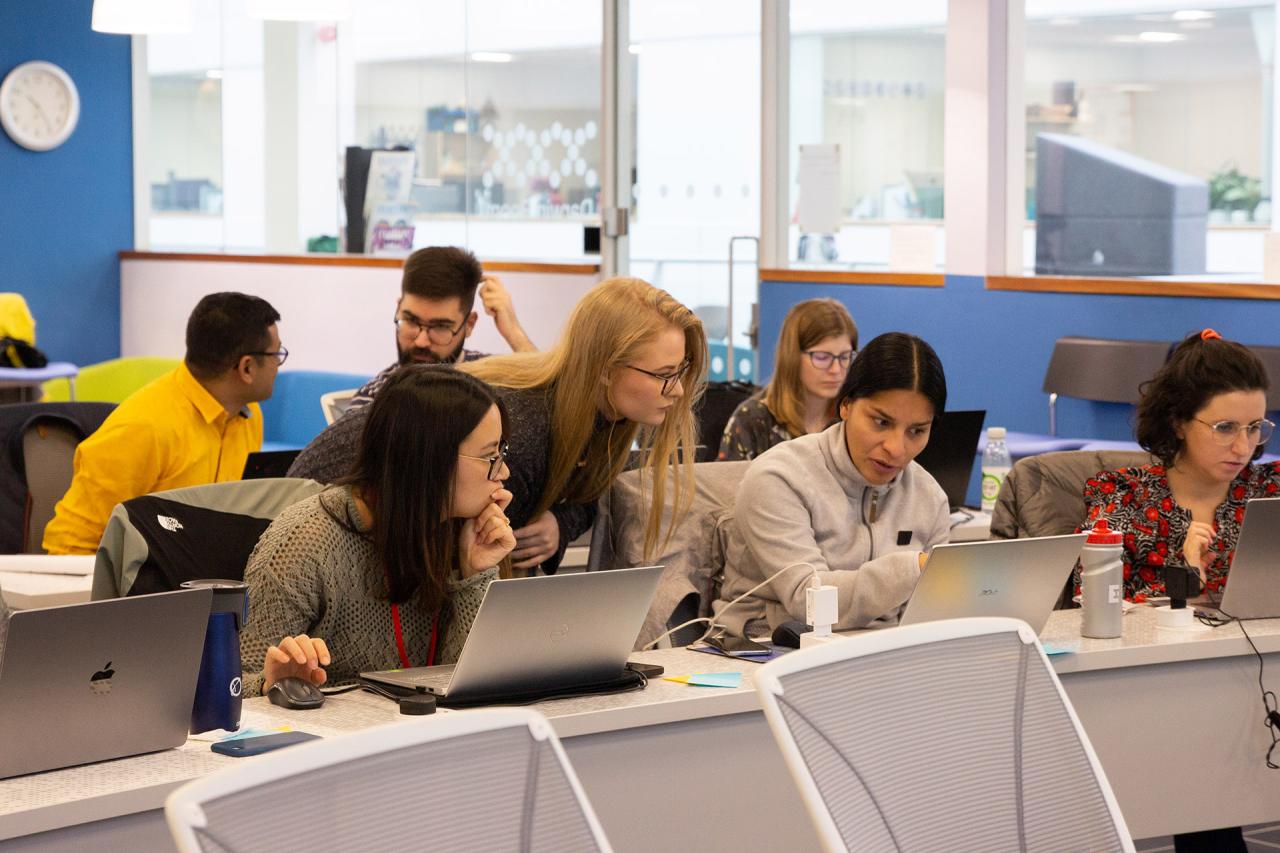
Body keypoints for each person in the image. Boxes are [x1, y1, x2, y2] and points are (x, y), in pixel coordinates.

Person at [289, 277, 706, 573]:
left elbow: (590, 487)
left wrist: (562, 523)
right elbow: (472, 584)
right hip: (316, 536)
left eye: (683, 370)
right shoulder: (519, 436)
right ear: (603, 369)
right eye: (664, 374)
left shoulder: (593, 412)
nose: (679, 390)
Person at [238, 367, 516, 697]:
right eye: (490, 456)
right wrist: (273, 682)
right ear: (429, 459)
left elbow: (469, 687)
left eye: (502, 453)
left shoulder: (461, 533)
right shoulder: (304, 542)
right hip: (336, 739)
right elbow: (236, 686)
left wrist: (477, 574)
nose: (505, 471)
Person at [714, 332, 951, 637]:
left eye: (917, 431)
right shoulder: (779, 477)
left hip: (880, 653)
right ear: (846, 406)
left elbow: (931, 615)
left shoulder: (929, 498)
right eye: (881, 422)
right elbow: (808, 602)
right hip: (765, 649)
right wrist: (915, 568)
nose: (896, 448)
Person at [43, 293, 282, 555]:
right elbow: (68, 545)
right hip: (144, 584)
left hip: (200, 573)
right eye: (276, 355)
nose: (278, 366)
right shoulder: (143, 428)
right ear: (246, 368)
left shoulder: (247, 413)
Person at [1080, 330, 1280, 605]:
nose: (1243, 448)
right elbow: (1092, 603)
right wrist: (1186, 580)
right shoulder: (1127, 498)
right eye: (1225, 428)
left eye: (1254, 427)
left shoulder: (1271, 490)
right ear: (1178, 423)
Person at [347, 245, 535, 409]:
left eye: (440, 327)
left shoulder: (494, 379)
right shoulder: (373, 398)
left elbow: (556, 407)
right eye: (411, 321)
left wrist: (514, 333)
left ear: (469, 325)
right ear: (398, 309)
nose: (421, 342)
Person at [718, 298, 857, 460]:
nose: (836, 369)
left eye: (844, 357)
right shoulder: (752, 420)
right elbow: (729, 484)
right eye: (822, 357)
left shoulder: (851, 416)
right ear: (793, 357)